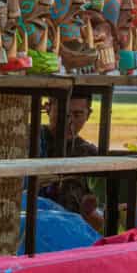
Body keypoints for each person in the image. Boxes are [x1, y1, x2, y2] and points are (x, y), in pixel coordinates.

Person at [39, 94, 103, 231]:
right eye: (63, 113)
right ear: (48, 108)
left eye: (77, 114)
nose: (69, 122)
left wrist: (89, 213)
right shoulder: (31, 140)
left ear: (88, 114)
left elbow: (98, 223)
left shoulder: (90, 155)